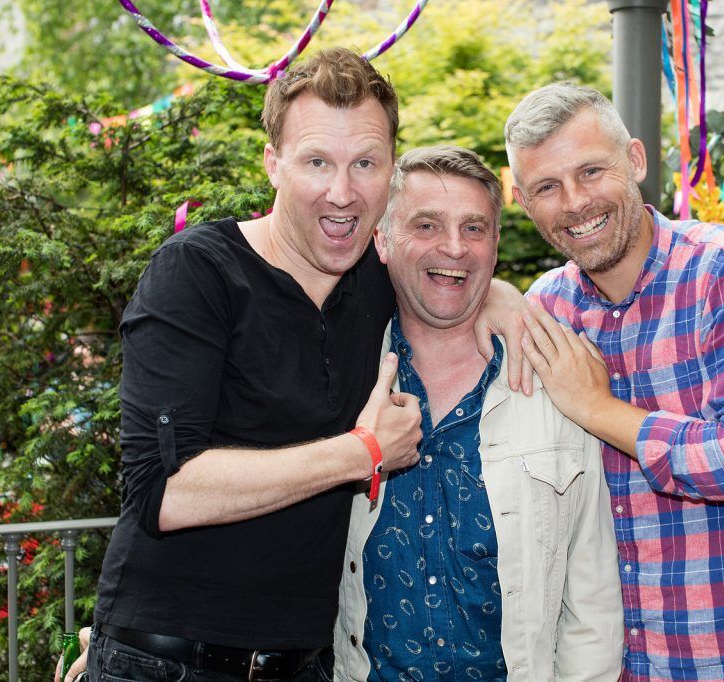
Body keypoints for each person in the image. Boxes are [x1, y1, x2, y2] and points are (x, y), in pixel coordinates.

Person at [62, 49, 529, 682]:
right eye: (317, 162)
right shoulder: (199, 271)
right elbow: (160, 492)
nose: (342, 192)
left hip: (306, 662)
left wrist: (504, 298)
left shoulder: (374, 280)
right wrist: (361, 451)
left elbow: (449, 268)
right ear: (273, 165)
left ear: (389, 172)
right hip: (165, 656)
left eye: (364, 163)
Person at [506, 83, 724, 682]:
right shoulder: (544, 309)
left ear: (635, 160)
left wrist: (598, 408)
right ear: (525, 203)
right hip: (620, 663)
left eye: (590, 171)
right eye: (547, 187)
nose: (575, 201)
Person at [332, 146, 623, 681]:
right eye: (425, 224)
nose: (453, 247)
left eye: (474, 228)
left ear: (494, 249)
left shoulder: (555, 381)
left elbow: (592, 601)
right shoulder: (339, 380)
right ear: (382, 240)